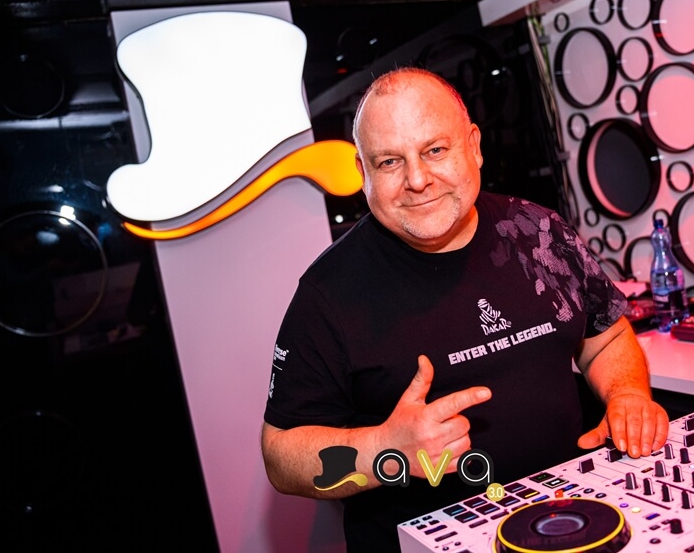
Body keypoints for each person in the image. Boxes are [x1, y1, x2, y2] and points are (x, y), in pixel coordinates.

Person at [261, 67, 669, 552]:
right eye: (389, 161)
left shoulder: (540, 232)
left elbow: (607, 337)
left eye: (435, 150)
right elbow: (281, 456)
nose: (417, 180)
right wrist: (382, 451)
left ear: (473, 146)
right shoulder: (328, 293)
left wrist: (627, 395)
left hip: (569, 522)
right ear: (362, 171)